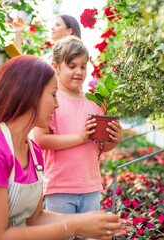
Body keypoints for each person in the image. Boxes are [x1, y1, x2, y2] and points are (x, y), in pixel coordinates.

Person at [0, 55, 131, 240]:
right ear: (29, 95)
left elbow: (36, 219)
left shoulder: (33, 152)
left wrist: (91, 222)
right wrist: (76, 225)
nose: (57, 104)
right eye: (53, 95)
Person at [34, 36, 123, 216]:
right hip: (60, 187)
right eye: (72, 66)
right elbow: (40, 139)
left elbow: (99, 146)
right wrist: (80, 137)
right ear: (55, 68)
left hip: (90, 186)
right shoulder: (51, 101)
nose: (79, 72)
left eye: (83, 66)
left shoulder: (94, 103)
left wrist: (114, 140)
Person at [14, 15, 81, 64]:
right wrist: (18, 32)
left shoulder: (72, 57)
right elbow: (21, 64)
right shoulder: (48, 56)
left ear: (68, 31)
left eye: (57, 25)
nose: (52, 28)